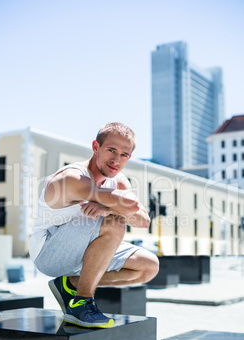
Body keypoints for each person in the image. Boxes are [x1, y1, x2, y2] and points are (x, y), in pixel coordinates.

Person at [28, 122, 159, 328]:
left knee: (148, 267)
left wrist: (106, 208)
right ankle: (81, 304)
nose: (116, 160)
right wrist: (113, 207)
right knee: (115, 223)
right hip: (48, 253)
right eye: (111, 150)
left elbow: (143, 220)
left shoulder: (118, 181)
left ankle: (71, 283)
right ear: (96, 147)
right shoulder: (72, 177)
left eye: (124, 155)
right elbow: (132, 205)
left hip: (84, 252)